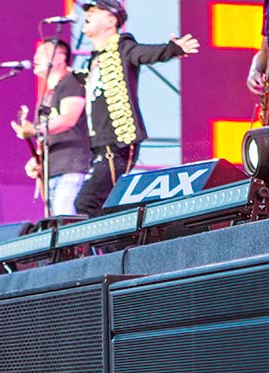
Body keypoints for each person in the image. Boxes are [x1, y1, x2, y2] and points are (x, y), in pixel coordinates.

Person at [74, 0, 201, 217]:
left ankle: (121, 239)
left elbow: (143, 53)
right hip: (100, 146)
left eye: (94, 11)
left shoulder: (123, 47)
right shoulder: (94, 61)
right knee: (105, 203)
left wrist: (172, 49)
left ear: (111, 20)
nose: (88, 14)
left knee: (89, 201)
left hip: (118, 143)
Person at [11, 38, 92, 216]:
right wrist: (37, 159)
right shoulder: (47, 96)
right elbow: (48, 134)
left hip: (71, 167)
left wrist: (34, 130)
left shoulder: (71, 82)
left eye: (43, 53)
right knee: (55, 224)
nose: (36, 57)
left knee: (66, 222)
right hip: (52, 170)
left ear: (60, 58)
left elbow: (69, 118)